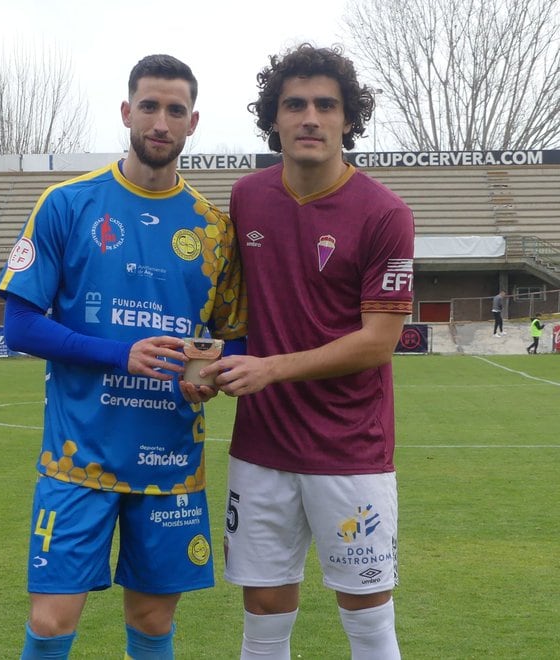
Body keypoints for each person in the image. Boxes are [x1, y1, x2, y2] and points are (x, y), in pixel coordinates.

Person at [0, 54, 247, 660]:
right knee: (52, 622)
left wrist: (210, 374)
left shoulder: (215, 231)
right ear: (127, 112)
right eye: (151, 107)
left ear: (193, 123)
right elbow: (19, 325)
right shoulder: (67, 204)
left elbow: (234, 337)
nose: (162, 121)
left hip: (171, 464)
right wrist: (119, 354)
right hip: (78, 461)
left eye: (176, 110)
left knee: (154, 623)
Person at [200, 43, 414, 659]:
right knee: (263, 612)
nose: (311, 118)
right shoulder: (248, 198)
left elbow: (379, 341)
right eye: (295, 105)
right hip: (262, 449)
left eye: (327, 105)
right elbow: (235, 306)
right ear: (274, 119)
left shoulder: (384, 213)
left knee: (366, 612)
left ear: (349, 119)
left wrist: (270, 368)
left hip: (350, 451)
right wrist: (211, 366)